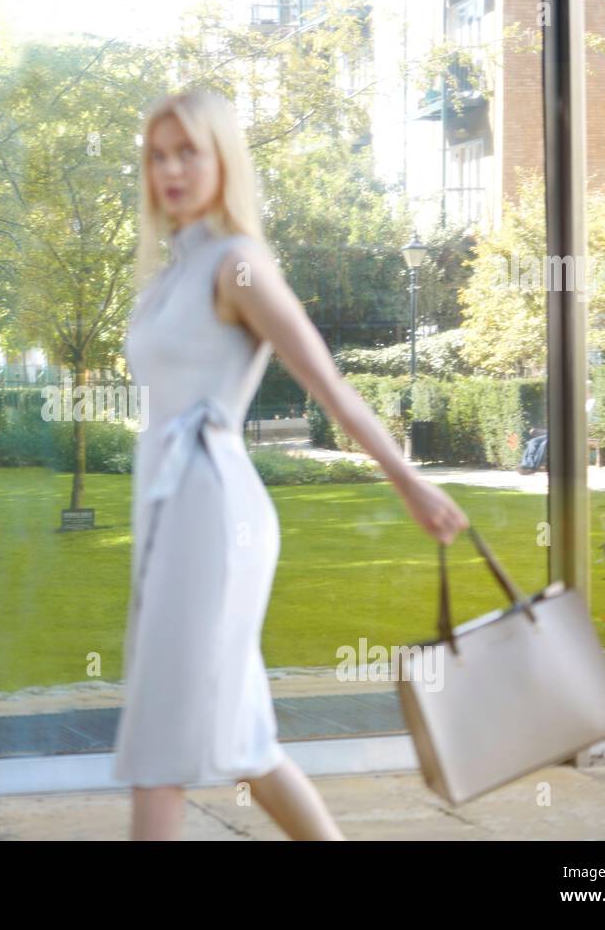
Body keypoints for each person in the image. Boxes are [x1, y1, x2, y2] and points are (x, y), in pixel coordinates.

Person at [114, 88, 470, 841]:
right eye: (157, 156)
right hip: (169, 513)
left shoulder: (236, 264)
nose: (170, 169)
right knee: (243, 741)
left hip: (211, 515)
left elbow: (327, 382)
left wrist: (406, 480)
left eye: (188, 152)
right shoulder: (173, 270)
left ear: (223, 161)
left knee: (160, 746)